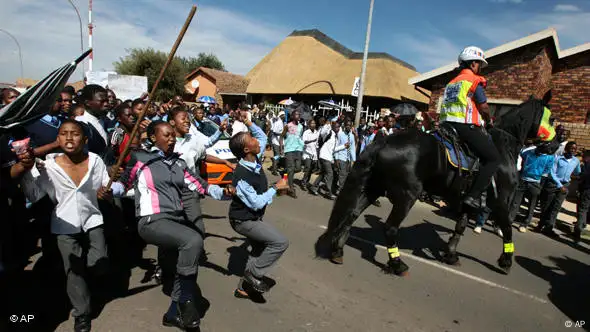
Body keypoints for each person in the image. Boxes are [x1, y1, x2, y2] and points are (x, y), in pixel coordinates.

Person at [117, 121, 233, 330]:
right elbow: (123, 183)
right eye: (166, 135)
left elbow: (200, 185)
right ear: (153, 138)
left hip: (176, 220)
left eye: (173, 136)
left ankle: (172, 313)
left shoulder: (179, 164)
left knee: (188, 263)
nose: (172, 139)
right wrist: (109, 190)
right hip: (151, 220)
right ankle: (186, 301)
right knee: (193, 239)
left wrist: (225, 194)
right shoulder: (141, 159)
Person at [27, 120, 124, 332]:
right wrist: (28, 172)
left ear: (85, 139)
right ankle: (82, 313)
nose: (69, 138)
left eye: (75, 133)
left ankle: (91, 288)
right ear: (58, 138)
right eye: (63, 133)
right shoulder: (48, 165)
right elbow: (34, 194)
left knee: (99, 263)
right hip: (64, 224)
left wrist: (108, 192)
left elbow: (111, 185)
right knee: (74, 270)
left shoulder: (95, 161)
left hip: (93, 220)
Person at [227, 113, 290, 298]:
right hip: (243, 220)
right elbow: (255, 203)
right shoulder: (241, 176)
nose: (257, 140)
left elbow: (262, 136)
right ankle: (253, 274)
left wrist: (249, 122)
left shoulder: (255, 157)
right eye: (251, 139)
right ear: (247, 149)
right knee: (280, 242)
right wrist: (275, 188)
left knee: (258, 250)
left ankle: (243, 288)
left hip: (253, 216)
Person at [438, 46, 500, 209]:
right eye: (480, 64)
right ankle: (472, 196)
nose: (480, 68)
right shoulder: (474, 80)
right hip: (465, 126)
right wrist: (489, 120)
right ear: (473, 64)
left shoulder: (452, 82)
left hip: (445, 125)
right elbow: (484, 106)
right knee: (494, 158)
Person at [537, 141, 581, 237]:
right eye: (571, 148)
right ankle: (541, 225)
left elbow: (578, 172)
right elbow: (552, 173)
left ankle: (549, 228)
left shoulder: (576, 161)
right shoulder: (557, 158)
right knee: (547, 206)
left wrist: (572, 179)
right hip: (553, 184)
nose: (572, 151)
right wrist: (559, 185)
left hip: (565, 186)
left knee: (556, 207)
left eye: (574, 149)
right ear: (566, 149)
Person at [510, 142, 555, 233]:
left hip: (535, 182)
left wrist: (539, 180)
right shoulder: (528, 152)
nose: (542, 151)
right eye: (541, 148)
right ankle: (509, 220)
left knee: (532, 205)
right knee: (516, 202)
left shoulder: (549, 158)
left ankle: (525, 224)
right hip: (523, 179)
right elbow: (521, 161)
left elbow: (546, 171)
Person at [310, 122, 348, 199]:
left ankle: (314, 187)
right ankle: (329, 192)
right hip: (324, 156)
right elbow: (323, 132)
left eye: (338, 127)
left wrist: (344, 146)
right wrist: (327, 125)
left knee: (324, 173)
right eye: (336, 127)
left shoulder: (336, 137)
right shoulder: (329, 133)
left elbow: (333, 149)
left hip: (328, 157)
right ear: (333, 127)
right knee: (330, 174)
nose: (337, 129)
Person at [74, 85, 110, 156]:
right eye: (102, 101)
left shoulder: (104, 121)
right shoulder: (80, 124)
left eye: (107, 101)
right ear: (87, 103)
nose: (106, 104)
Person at [280, 110, 304, 198]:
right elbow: (281, 136)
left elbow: (299, 138)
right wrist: (281, 148)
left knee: (298, 168)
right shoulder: (288, 126)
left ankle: (285, 173)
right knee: (291, 168)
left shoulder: (301, 126)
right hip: (289, 150)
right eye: (297, 114)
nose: (298, 116)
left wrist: (302, 147)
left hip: (298, 150)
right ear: (293, 116)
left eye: (299, 114)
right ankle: (290, 189)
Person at [334, 120, 356, 195]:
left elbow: (352, 148)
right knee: (342, 174)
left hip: (348, 158)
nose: (348, 127)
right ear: (344, 126)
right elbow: (336, 146)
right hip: (341, 157)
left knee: (346, 174)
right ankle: (340, 190)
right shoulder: (340, 134)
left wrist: (353, 160)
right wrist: (336, 158)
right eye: (347, 125)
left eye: (349, 125)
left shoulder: (352, 136)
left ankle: (339, 187)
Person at [574, 150, 590, 243]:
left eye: (584, 157)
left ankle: (578, 230)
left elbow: (582, 177)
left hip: (586, 190)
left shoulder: (585, 166)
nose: (582, 159)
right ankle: (583, 224)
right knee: (586, 208)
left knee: (582, 209)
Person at [301, 119, 319, 190]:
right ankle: (304, 183)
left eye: (314, 123)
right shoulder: (306, 132)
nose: (313, 125)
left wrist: (317, 154)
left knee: (311, 169)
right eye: (312, 123)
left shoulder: (317, 132)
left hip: (314, 154)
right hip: (307, 153)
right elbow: (304, 142)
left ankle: (306, 181)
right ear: (309, 125)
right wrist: (312, 140)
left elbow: (317, 145)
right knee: (308, 168)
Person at [269, 111, 286, 176]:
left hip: (280, 141)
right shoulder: (278, 122)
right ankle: (274, 170)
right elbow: (274, 132)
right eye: (283, 115)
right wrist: (282, 134)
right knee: (277, 156)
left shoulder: (282, 122)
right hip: (276, 141)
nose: (284, 116)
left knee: (278, 156)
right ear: (281, 116)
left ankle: (275, 167)